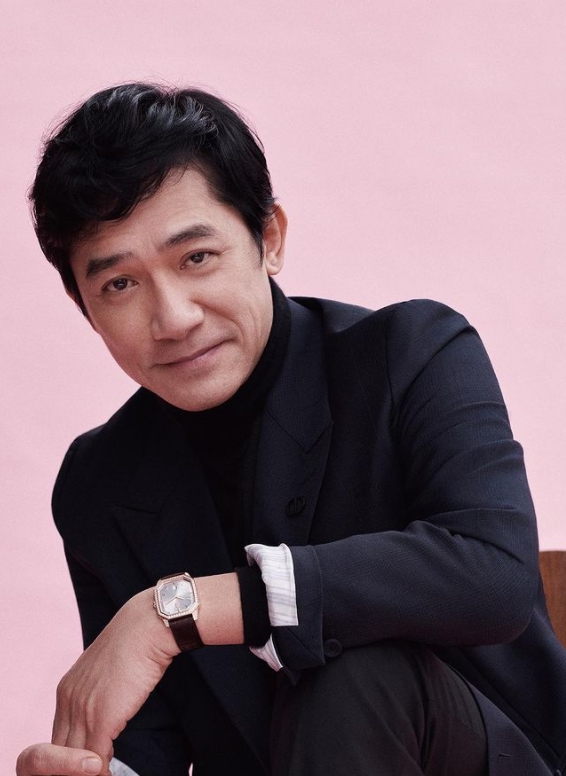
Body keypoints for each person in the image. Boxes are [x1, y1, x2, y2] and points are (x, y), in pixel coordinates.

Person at [16, 83, 566, 776]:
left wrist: (174, 613)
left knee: (354, 675)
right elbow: (147, 744)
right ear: (84, 306)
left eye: (196, 257)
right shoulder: (99, 483)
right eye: (119, 284)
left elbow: (493, 577)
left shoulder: (413, 352)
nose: (174, 317)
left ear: (269, 239)